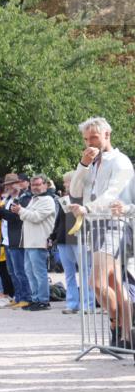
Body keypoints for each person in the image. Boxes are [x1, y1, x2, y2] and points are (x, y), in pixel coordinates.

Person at [70, 117, 135, 347]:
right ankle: (125, 336)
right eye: (86, 139)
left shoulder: (120, 161)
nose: (90, 143)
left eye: (94, 137)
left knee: (96, 283)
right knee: (115, 284)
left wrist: (88, 208)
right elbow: (75, 190)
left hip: (115, 225)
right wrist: (83, 164)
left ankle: (117, 324)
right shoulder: (92, 162)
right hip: (95, 225)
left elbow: (111, 194)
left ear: (107, 134)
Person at [12, 174, 57, 311]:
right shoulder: (34, 199)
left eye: (38, 184)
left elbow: (36, 217)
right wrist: (21, 211)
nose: (35, 187)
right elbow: (27, 217)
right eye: (33, 185)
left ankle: (43, 300)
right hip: (29, 242)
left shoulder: (48, 200)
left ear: (45, 185)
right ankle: (36, 298)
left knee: (39, 273)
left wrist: (20, 210)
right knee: (30, 272)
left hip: (39, 241)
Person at [0, 174, 33, 308]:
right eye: (7, 185)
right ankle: (18, 296)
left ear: (18, 184)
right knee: (12, 272)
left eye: (11, 184)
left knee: (20, 271)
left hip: (17, 238)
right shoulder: (8, 198)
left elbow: (15, 217)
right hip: (7, 239)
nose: (8, 187)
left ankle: (26, 297)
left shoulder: (24, 198)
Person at [55, 171, 92, 314]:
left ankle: (88, 304)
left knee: (85, 271)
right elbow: (59, 219)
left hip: (81, 238)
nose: (65, 184)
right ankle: (72, 303)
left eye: (68, 181)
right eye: (65, 182)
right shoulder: (64, 198)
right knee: (69, 273)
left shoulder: (87, 198)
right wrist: (53, 236)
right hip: (63, 238)